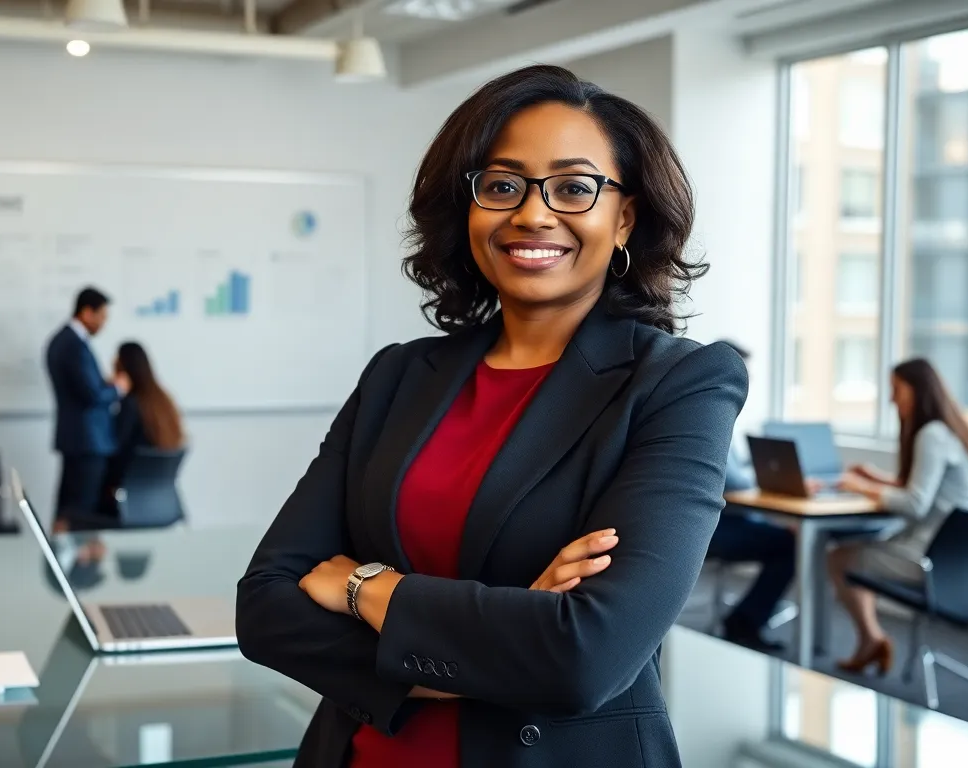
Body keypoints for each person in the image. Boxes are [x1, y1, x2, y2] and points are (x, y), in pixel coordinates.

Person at [235, 64, 747, 768]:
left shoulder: (679, 383)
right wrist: (494, 643)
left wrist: (365, 588)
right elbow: (265, 608)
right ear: (468, 209)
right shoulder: (399, 375)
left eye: (574, 187)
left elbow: (582, 657)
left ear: (624, 215)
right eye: (502, 185)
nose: (533, 214)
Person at [829, 358, 968, 675]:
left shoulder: (931, 434)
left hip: (932, 563)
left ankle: (871, 639)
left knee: (839, 558)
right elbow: (926, 488)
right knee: (866, 546)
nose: (892, 400)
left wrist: (862, 487)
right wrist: (877, 478)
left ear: (918, 391)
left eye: (896, 390)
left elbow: (916, 504)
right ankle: (871, 641)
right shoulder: (958, 430)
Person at [706, 340, 797, 652]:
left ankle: (745, 619)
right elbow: (733, 483)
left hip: (723, 519)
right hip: (714, 528)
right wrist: (772, 479)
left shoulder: (713, 408)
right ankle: (744, 623)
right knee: (789, 543)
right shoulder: (711, 415)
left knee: (788, 535)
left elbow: (738, 472)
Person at [44, 287, 126, 529]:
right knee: (81, 511)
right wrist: (119, 388)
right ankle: (75, 565)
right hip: (87, 441)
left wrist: (103, 384)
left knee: (69, 508)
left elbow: (84, 386)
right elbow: (90, 395)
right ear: (87, 312)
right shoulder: (73, 344)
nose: (103, 324)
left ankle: (63, 562)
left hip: (78, 440)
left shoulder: (63, 340)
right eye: (101, 317)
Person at [105, 341, 186, 490]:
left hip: (127, 489)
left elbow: (116, 446)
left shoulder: (130, 404)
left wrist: (110, 392)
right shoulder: (162, 400)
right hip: (157, 493)